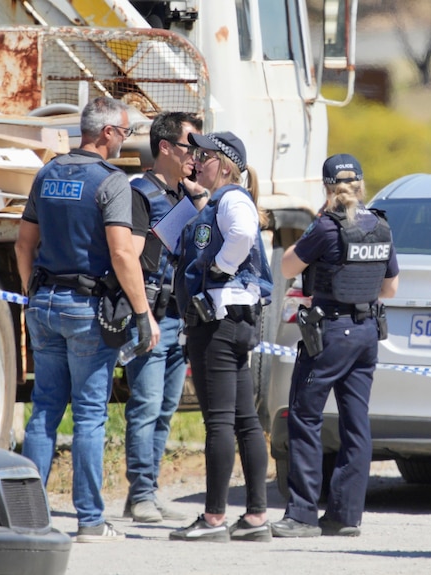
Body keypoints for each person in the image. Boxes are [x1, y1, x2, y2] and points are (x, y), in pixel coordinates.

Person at [14, 96, 160, 543]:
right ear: (107, 133)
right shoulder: (111, 183)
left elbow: (23, 243)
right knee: (90, 416)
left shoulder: (49, 172)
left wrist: (30, 293)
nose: (128, 139)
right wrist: (143, 313)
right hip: (86, 310)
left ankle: (29, 518)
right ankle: (91, 521)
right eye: (125, 131)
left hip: (45, 304)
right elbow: (121, 253)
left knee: (44, 412)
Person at [270, 153, 399, 538]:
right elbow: (390, 288)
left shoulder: (326, 227)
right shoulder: (380, 225)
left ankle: (303, 515)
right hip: (367, 334)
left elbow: (287, 268)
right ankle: (345, 515)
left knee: (305, 418)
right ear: (360, 185)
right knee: (356, 424)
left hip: (331, 333)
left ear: (327, 188)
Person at [169, 131, 274, 543]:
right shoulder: (221, 199)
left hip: (218, 320)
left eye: (204, 155)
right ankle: (255, 517)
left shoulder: (232, 199)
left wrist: (220, 269)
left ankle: (213, 519)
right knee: (245, 420)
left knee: (219, 421)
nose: (197, 160)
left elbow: (243, 234)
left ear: (226, 164)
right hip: (235, 319)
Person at [123, 111, 205, 523]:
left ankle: (149, 491)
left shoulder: (183, 196)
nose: (196, 155)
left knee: (166, 408)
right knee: (146, 405)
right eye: (190, 146)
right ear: (166, 148)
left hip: (179, 317)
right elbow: (131, 258)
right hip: (153, 315)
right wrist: (143, 316)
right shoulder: (139, 193)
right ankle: (139, 494)